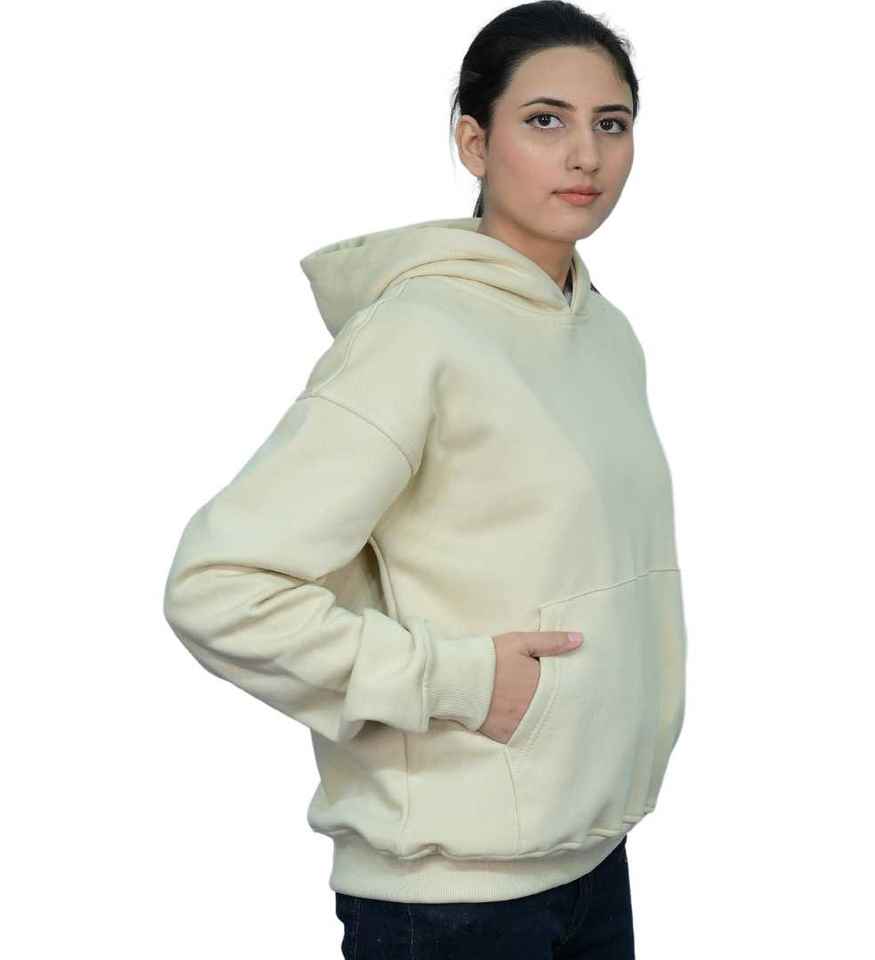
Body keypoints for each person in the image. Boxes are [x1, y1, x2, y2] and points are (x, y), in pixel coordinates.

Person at [162, 2, 687, 956]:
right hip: (450, 902)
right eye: (545, 120)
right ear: (474, 142)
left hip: (589, 861)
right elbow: (219, 588)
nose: (586, 155)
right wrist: (463, 682)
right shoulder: (416, 335)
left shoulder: (604, 333)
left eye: (611, 124)